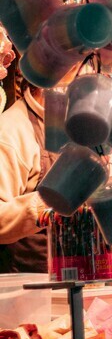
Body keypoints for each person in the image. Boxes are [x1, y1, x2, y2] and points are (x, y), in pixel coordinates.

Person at [0, 80, 52, 272]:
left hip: (86, 288)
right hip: (28, 292)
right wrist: (48, 204)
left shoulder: (84, 128)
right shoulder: (12, 130)